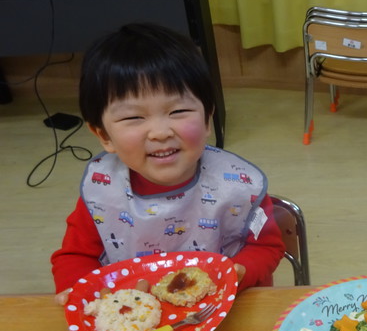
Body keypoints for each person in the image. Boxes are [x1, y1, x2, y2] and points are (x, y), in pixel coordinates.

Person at [52, 23, 285, 304]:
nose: (160, 132)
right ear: (104, 135)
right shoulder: (104, 190)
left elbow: (268, 247)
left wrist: (240, 272)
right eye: (133, 118)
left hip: (218, 307)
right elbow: (75, 257)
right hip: (134, 318)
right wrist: (83, 293)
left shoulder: (236, 184)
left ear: (208, 119)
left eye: (178, 111)